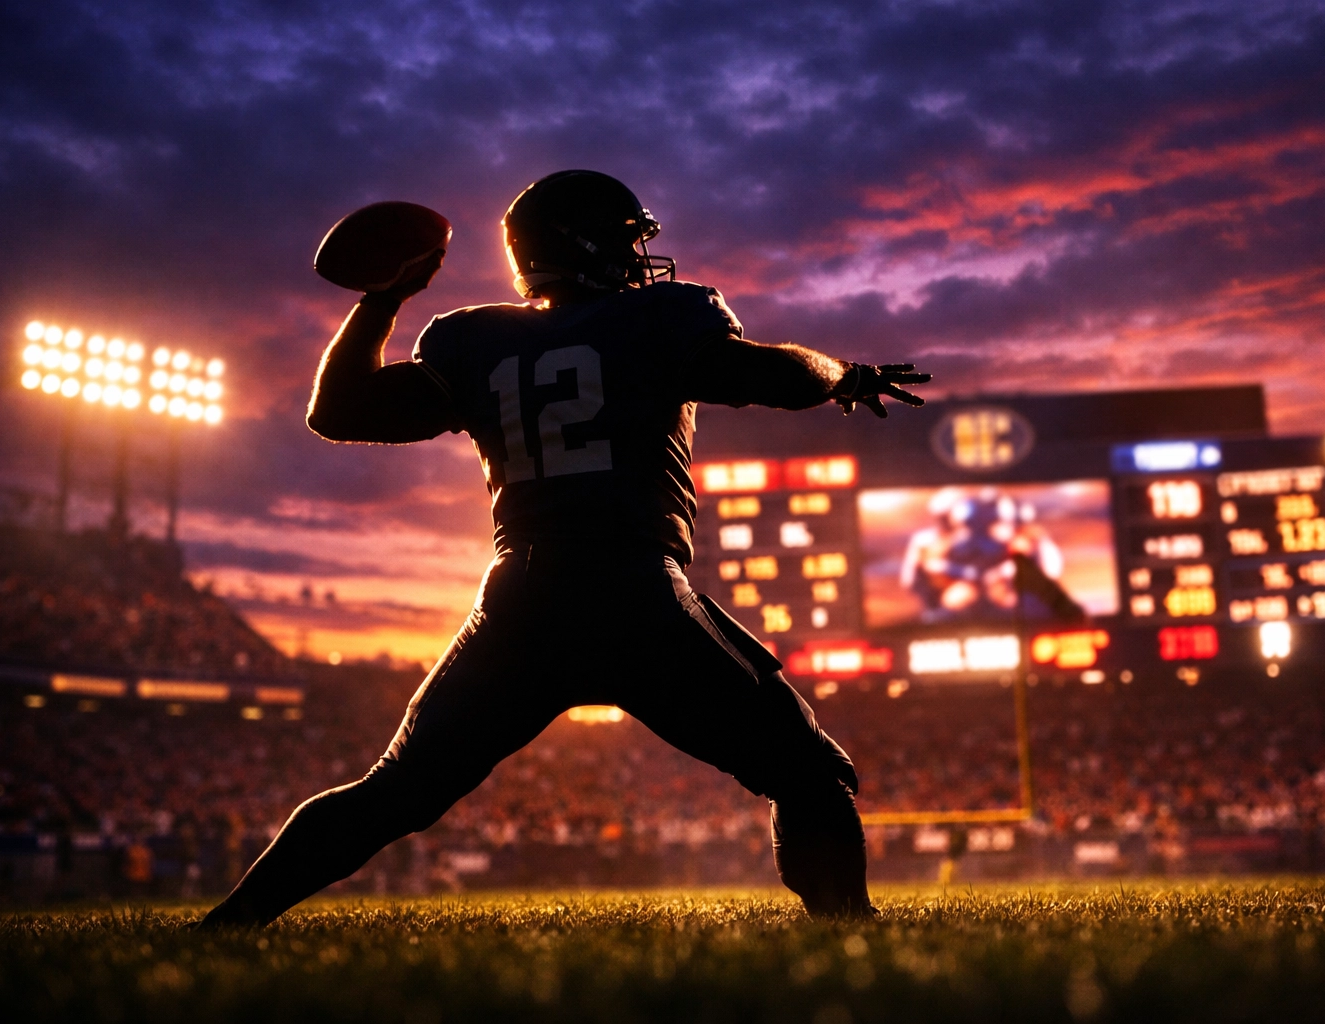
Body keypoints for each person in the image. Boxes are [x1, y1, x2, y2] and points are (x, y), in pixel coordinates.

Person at [199, 170, 929, 926]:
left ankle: (227, 926)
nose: (639, 256)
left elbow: (339, 412)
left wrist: (380, 301)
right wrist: (845, 374)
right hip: (634, 589)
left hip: (521, 596)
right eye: (626, 239)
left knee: (394, 791)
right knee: (809, 771)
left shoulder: (472, 341)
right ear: (588, 244)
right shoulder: (663, 317)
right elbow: (773, 378)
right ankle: (848, 933)